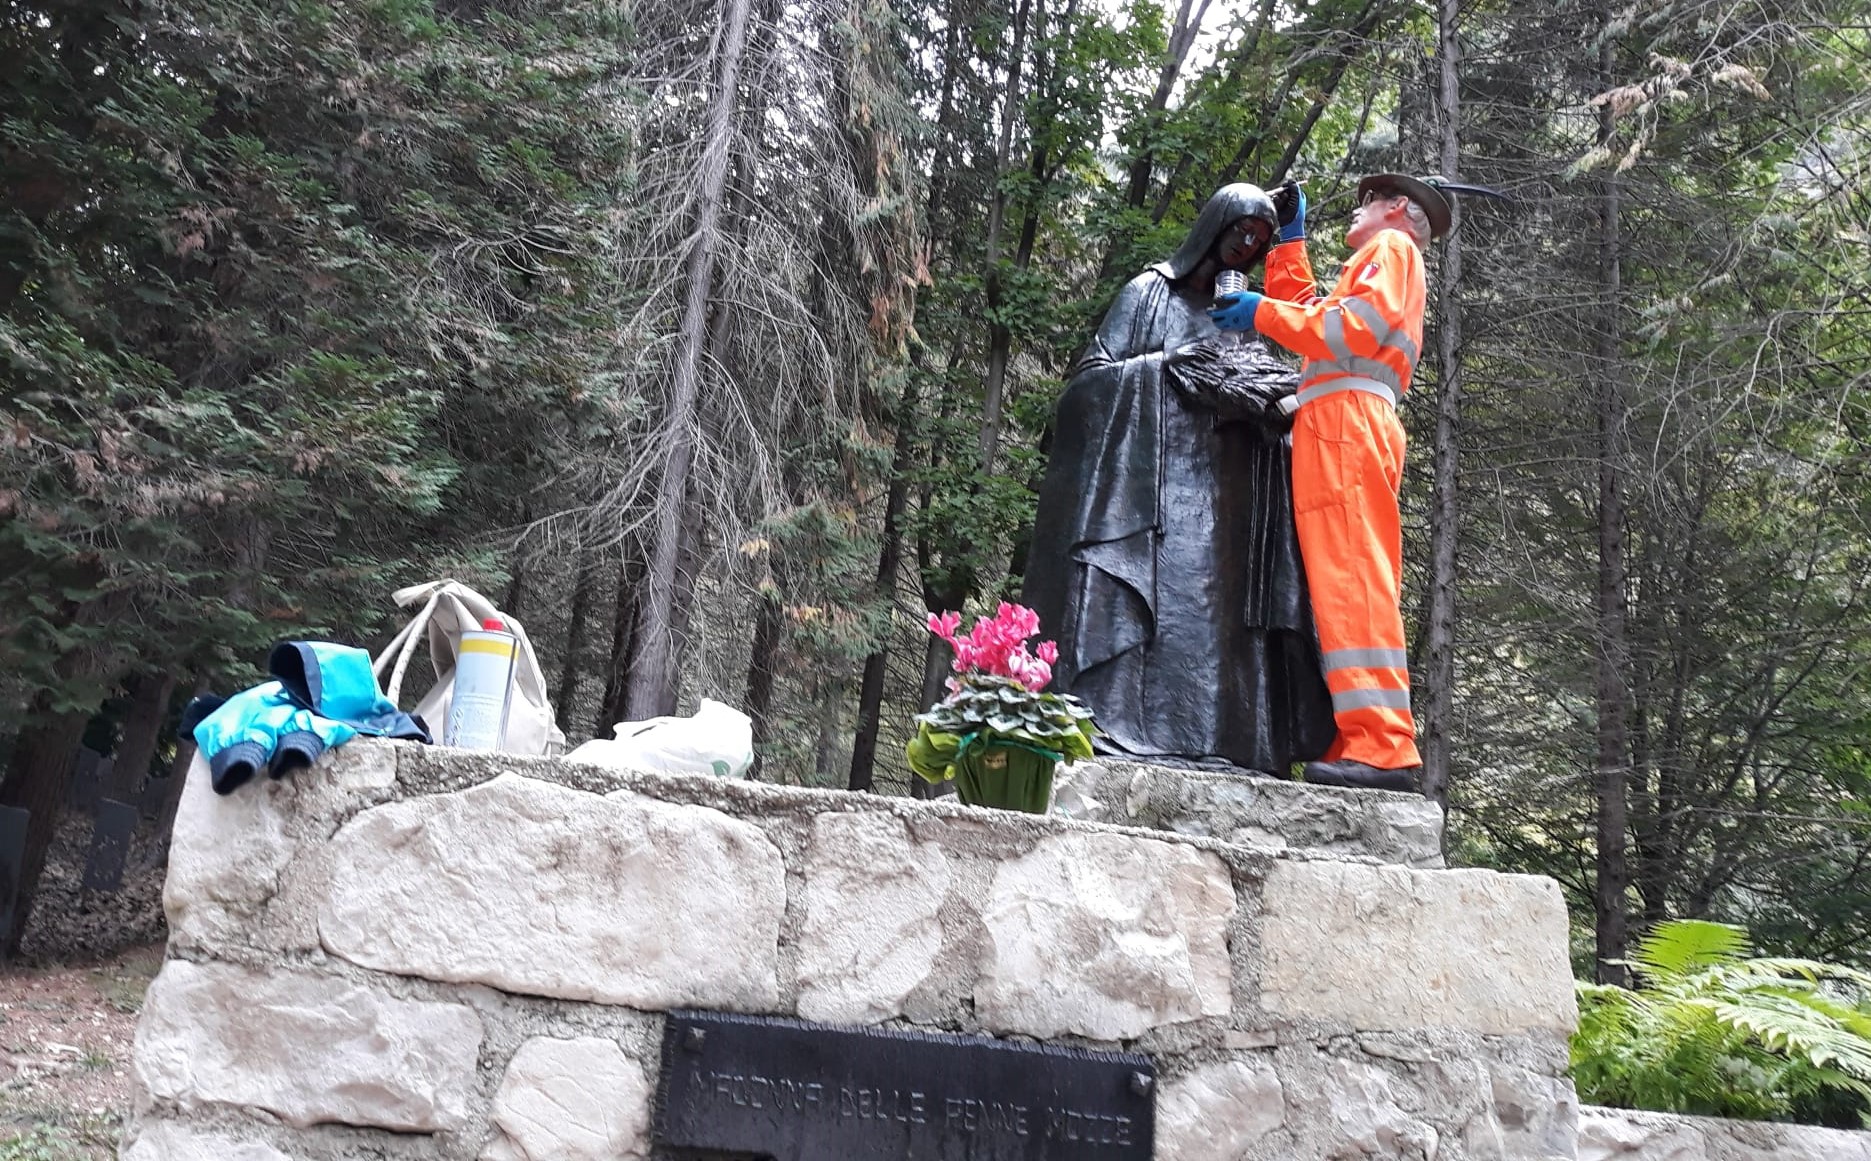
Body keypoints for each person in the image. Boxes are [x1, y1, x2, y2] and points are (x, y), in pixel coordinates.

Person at [1023, 184, 1336, 774]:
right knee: (1150, 618)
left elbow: (1271, 382)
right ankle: (1116, 728)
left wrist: (1272, 410)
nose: (1247, 246)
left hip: (1228, 505)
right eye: (1242, 231)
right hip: (1148, 498)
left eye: (1261, 241)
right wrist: (1167, 370)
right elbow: (1086, 386)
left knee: (1216, 630)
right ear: (1213, 225)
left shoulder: (1243, 315)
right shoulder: (1147, 294)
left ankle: (1225, 744)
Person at [1207, 173, 1455, 792]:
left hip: (1346, 422)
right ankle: (1360, 735)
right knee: (1340, 583)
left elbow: (1351, 329)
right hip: (1337, 421)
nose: (1358, 207)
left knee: (1354, 579)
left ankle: (1383, 744)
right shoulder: (1378, 261)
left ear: (1397, 208)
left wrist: (1259, 311)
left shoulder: (1392, 250)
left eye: (1369, 199)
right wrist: (1289, 246)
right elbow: (1320, 319)